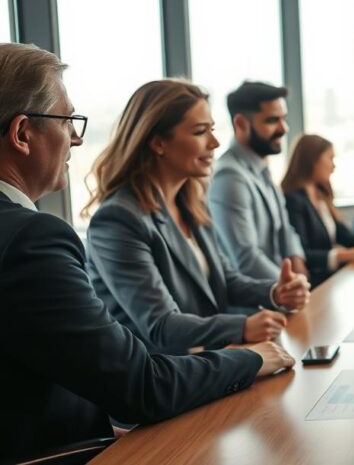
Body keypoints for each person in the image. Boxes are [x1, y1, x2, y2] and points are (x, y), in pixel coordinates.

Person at [0, 43, 293, 460]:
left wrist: (271, 297)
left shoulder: (192, 204)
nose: (77, 137)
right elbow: (141, 384)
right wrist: (249, 357)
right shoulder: (34, 238)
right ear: (23, 134)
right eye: (68, 121)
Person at [84, 80, 310, 355]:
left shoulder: (191, 204)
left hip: (204, 362)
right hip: (159, 378)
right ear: (157, 142)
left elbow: (225, 279)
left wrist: (275, 292)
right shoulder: (118, 219)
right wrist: (242, 326)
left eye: (212, 130)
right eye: (201, 132)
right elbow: (161, 326)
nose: (214, 143)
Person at [209, 81, 309, 281]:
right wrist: (291, 288)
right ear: (240, 124)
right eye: (272, 120)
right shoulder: (229, 176)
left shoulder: (262, 168)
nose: (284, 128)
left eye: (284, 118)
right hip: (258, 304)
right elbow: (247, 260)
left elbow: (285, 229)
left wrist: (297, 260)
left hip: (283, 295)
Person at [282, 134, 354, 287]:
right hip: (312, 284)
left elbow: (342, 235)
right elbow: (301, 254)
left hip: (331, 279)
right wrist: (346, 255)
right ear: (312, 160)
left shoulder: (320, 194)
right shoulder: (292, 200)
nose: (333, 166)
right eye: (330, 158)